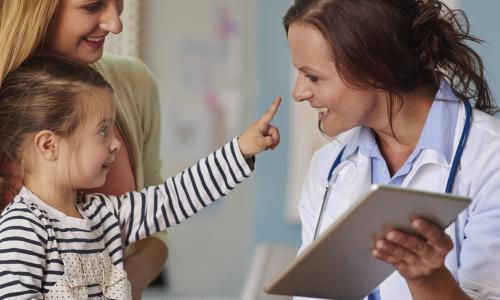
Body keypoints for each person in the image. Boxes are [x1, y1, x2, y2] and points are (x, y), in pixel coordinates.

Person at [0, 56, 280, 298]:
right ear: (49, 145)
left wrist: (240, 150)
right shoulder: (22, 229)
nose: (116, 144)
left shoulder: (106, 214)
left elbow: (174, 198)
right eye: (102, 131)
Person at [283, 0, 500, 299]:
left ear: (376, 68)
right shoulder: (328, 167)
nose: (298, 93)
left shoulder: (490, 157)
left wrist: (427, 278)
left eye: (313, 76)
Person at [2, 0, 165, 296]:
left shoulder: (135, 83)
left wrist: (130, 277)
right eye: (92, 6)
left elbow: (159, 219)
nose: (116, 25)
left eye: (119, 2)